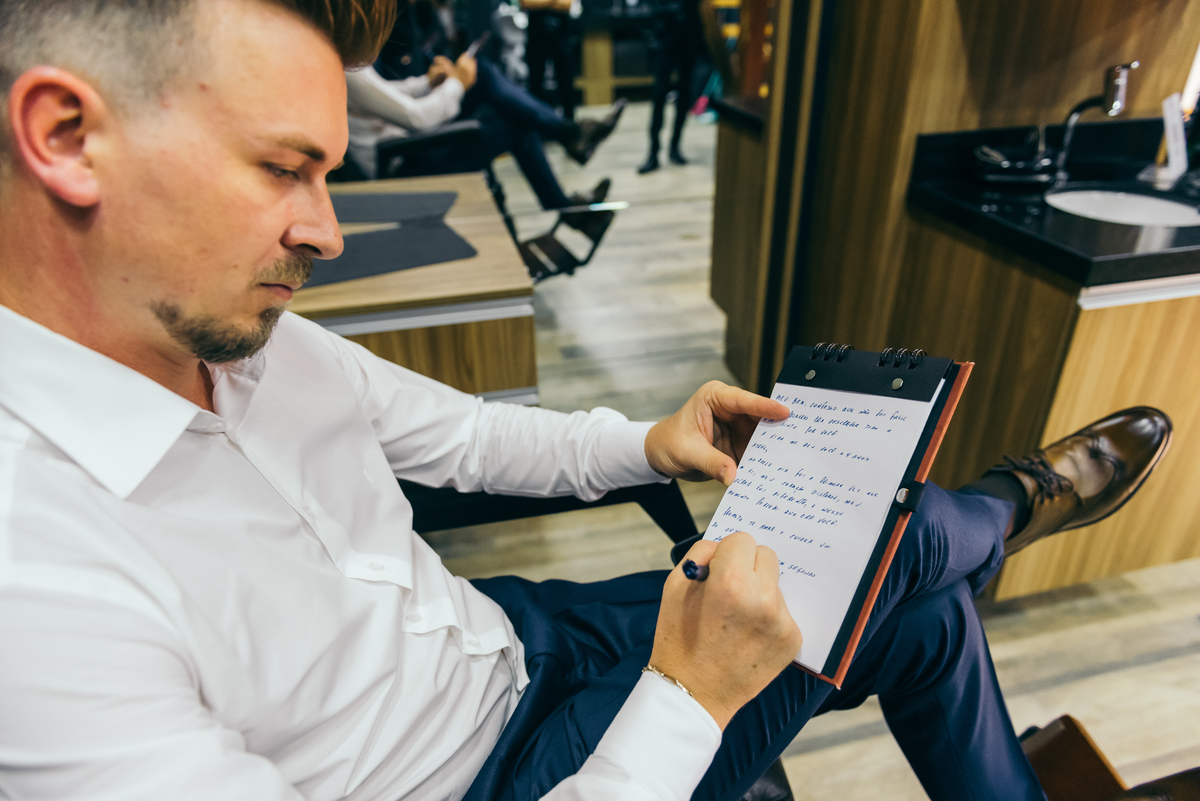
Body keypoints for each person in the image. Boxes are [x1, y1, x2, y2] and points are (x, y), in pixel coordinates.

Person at [0, 2, 1173, 800]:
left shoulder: (250, 338)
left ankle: (993, 524)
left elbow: (470, 436)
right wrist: (690, 697)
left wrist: (649, 441)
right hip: (496, 778)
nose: (327, 229)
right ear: (67, 135)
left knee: (902, 600)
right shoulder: (36, 598)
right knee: (897, 565)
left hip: (512, 640)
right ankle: (1010, 503)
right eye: (281, 168)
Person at [345, 54, 623, 211]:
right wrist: (456, 83)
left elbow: (388, 94)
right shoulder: (347, 68)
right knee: (516, 124)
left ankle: (568, 144)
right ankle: (568, 143)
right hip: (402, 163)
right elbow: (417, 118)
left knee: (484, 75)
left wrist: (428, 82)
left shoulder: (347, 62)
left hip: (408, 148)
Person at [637, 0, 704, 174]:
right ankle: (653, 153)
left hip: (689, 32)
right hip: (666, 33)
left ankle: (675, 147)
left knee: (684, 93)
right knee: (659, 94)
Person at [522, 0, 576, 121]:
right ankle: (536, 123)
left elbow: (567, 4)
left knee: (565, 80)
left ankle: (570, 122)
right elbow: (526, 3)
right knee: (535, 82)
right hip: (537, 34)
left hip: (561, 33)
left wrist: (541, 3)